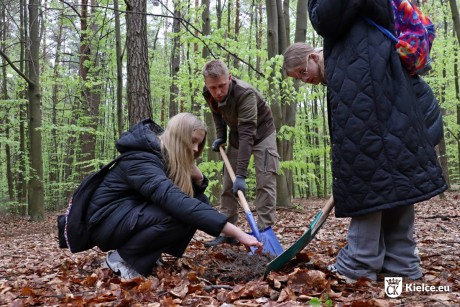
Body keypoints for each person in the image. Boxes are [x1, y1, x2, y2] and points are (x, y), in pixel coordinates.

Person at [281, 0, 448, 283]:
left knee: (369, 174)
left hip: (408, 114)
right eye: (298, 78)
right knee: (396, 181)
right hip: (401, 115)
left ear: (312, 56)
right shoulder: (355, 55)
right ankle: (401, 262)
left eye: (301, 72)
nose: (303, 79)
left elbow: (325, 17)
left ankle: (359, 261)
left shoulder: (351, 63)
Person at [86, 113, 263, 279]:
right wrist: (237, 232)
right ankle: (120, 259)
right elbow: (176, 201)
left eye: (198, 144)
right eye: (193, 141)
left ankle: (147, 255)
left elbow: (194, 201)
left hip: (126, 218)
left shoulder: (162, 157)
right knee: (180, 211)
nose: (195, 149)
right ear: (178, 137)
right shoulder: (141, 159)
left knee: (198, 201)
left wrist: (199, 179)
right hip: (105, 223)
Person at [202, 59, 280, 247]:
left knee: (265, 180)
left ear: (229, 78)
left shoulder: (245, 94)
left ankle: (264, 231)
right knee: (228, 185)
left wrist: (241, 174)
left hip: (262, 133)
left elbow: (248, 134)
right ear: (206, 85)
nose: (218, 92)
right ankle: (228, 231)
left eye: (222, 85)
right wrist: (221, 136)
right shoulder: (209, 93)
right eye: (213, 88)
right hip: (238, 134)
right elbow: (217, 114)